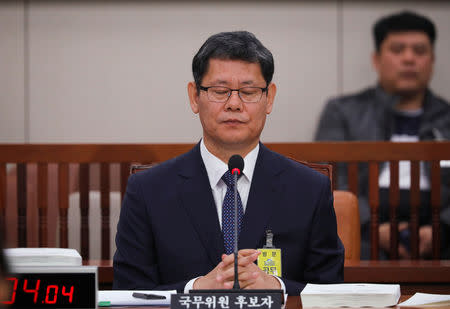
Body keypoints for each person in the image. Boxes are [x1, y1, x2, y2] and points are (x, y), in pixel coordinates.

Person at [113, 31, 344, 295]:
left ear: (269, 98)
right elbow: (127, 293)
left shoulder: (309, 189)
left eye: (249, 91)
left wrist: (276, 286)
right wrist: (195, 288)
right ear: (194, 96)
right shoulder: (148, 190)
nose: (234, 104)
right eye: (219, 91)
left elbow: (331, 291)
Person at [315, 11, 450, 259]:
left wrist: (442, 227)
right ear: (377, 60)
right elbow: (329, 177)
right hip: (363, 228)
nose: (409, 59)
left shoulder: (446, 116)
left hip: (441, 231)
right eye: (398, 50)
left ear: (432, 60)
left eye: (419, 51)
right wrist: (372, 224)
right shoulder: (343, 111)